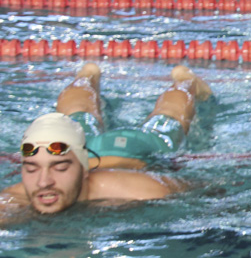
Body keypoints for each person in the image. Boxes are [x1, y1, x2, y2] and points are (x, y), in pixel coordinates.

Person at [1, 64, 211, 217]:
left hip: (134, 149)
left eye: (60, 168)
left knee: (168, 117)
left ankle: (186, 81)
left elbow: (209, 191)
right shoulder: (15, 197)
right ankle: (87, 75)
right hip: (82, 149)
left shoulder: (144, 190)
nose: (43, 182)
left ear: (84, 171)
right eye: (31, 169)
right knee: (77, 114)